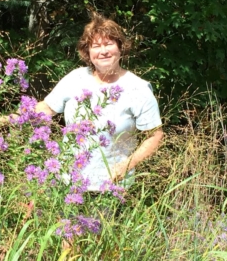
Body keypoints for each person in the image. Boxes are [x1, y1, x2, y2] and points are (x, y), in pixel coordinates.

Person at [34, 14, 163, 191]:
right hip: (67, 184)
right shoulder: (76, 78)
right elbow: (46, 108)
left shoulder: (137, 88)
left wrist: (126, 166)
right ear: (88, 52)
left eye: (109, 44)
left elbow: (155, 135)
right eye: (96, 46)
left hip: (111, 187)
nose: (103, 51)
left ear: (120, 48)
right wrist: (8, 119)